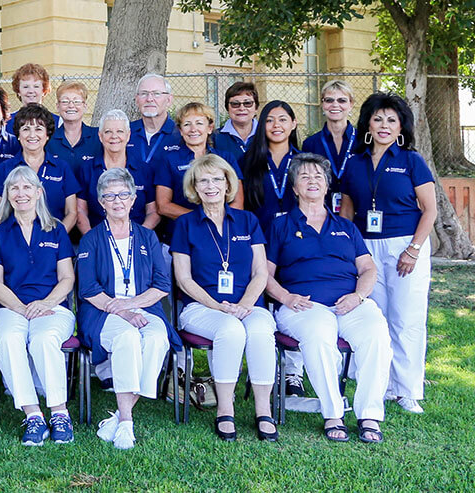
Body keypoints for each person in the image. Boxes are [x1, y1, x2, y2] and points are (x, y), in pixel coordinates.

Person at [265, 154, 392, 444]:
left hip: (349, 302)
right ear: (294, 188)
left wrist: (359, 296)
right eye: (304, 177)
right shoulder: (280, 226)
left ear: (327, 186)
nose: (312, 181)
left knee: (376, 334)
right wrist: (286, 296)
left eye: (318, 177)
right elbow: (265, 275)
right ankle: (333, 413)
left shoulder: (346, 226)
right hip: (303, 305)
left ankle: (369, 415)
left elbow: (368, 268)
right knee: (319, 332)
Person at [170, 154, 277, 442]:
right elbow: (184, 279)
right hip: (200, 308)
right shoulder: (185, 224)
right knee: (229, 329)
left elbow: (260, 272)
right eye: (203, 180)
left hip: (247, 305)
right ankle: (225, 409)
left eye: (217, 179)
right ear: (194, 186)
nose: (210, 185)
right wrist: (218, 306)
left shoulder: (247, 221)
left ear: (228, 183)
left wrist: (244, 305)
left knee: (261, 330)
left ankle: (263, 410)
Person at [340, 93, 436, 414]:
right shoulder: (354, 163)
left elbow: (430, 209)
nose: (384, 125)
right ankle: (379, 387)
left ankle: (407, 390)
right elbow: (347, 212)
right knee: (376, 319)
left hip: (405, 245)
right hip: (366, 247)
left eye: (391, 120)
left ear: (401, 127)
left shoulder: (412, 161)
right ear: (367, 123)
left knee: (406, 318)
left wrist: (413, 249)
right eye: (378, 119)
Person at [77, 168, 179, 450]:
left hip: (145, 308)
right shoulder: (91, 239)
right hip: (102, 312)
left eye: (123, 194)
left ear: (133, 199)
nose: (117, 201)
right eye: (110, 196)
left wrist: (132, 305)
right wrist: (121, 311)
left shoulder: (147, 237)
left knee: (158, 339)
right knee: (128, 337)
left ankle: (120, 416)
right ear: (102, 202)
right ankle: (126, 424)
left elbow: (161, 285)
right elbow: (88, 290)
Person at [0, 166, 77, 446]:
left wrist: (45, 303)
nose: (21, 193)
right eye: (14, 188)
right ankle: (33, 415)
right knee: (10, 337)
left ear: (39, 193)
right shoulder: (0, 233)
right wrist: (22, 309)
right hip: (10, 309)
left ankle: (60, 413)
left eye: (27, 188)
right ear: (8, 195)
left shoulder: (56, 230)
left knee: (43, 337)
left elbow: (67, 278)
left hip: (52, 308)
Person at [0, 103, 79, 232]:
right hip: (15, 245)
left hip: (53, 245)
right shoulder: (5, 168)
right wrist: (12, 239)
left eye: (38, 129)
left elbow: (72, 212)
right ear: (18, 135)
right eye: (25, 129)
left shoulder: (62, 168)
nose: (32, 135)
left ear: (47, 135)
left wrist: (57, 238)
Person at [155, 102, 244, 222]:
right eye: (187, 124)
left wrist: (219, 221)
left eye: (199, 123)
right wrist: (201, 219)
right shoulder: (169, 160)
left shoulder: (226, 158)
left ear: (209, 128)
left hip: (222, 228)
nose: (193, 129)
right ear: (180, 130)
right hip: (184, 229)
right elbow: (163, 206)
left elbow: (238, 202)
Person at [76, 110, 158, 234]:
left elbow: (153, 212)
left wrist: (139, 237)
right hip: (98, 239)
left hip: (136, 239)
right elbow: (80, 210)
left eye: (120, 131)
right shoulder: (87, 169)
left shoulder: (144, 169)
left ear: (128, 135)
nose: (114, 136)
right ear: (100, 136)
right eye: (108, 132)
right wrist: (92, 239)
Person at [241, 101, 302, 230]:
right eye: (269, 121)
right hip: (260, 236)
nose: (276, 125)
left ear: (293, 124)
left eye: (282, 120)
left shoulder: (305, 162)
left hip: (299, 236)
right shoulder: (246, 161)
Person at [302, 80, 358, 213]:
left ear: (351, 104)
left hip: (358, 210)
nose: (335, 105)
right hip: (321, 211)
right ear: (322, 104)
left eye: (342, 100)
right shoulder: (310, 143)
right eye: (329, 100)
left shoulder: (363, 141)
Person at [46, 81, 101, 174]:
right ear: (58, 107)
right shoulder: (48, 140)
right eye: (65, 101)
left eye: (77, 101)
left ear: (85, 107)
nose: (71, 105)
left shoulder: (98, 137)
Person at [127, 74, 179, 166]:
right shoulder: (125, 133)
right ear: (136, 100)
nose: (149, 99)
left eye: (156, 94)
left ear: (169, 100)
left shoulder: (180, 134)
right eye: (144, 94)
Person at [5, 63, 60, 130]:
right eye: (26, 87)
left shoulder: (57, 123)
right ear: (18, 91)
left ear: (44, 90)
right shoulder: (7, 122)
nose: (31, 91)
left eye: (36, 86)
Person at [211, 81, 259, 158]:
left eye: (247, 103)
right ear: (227, 108)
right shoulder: (215, 138)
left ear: (256, 107)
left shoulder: (267, 134)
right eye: (235, 104)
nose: (242, 108)